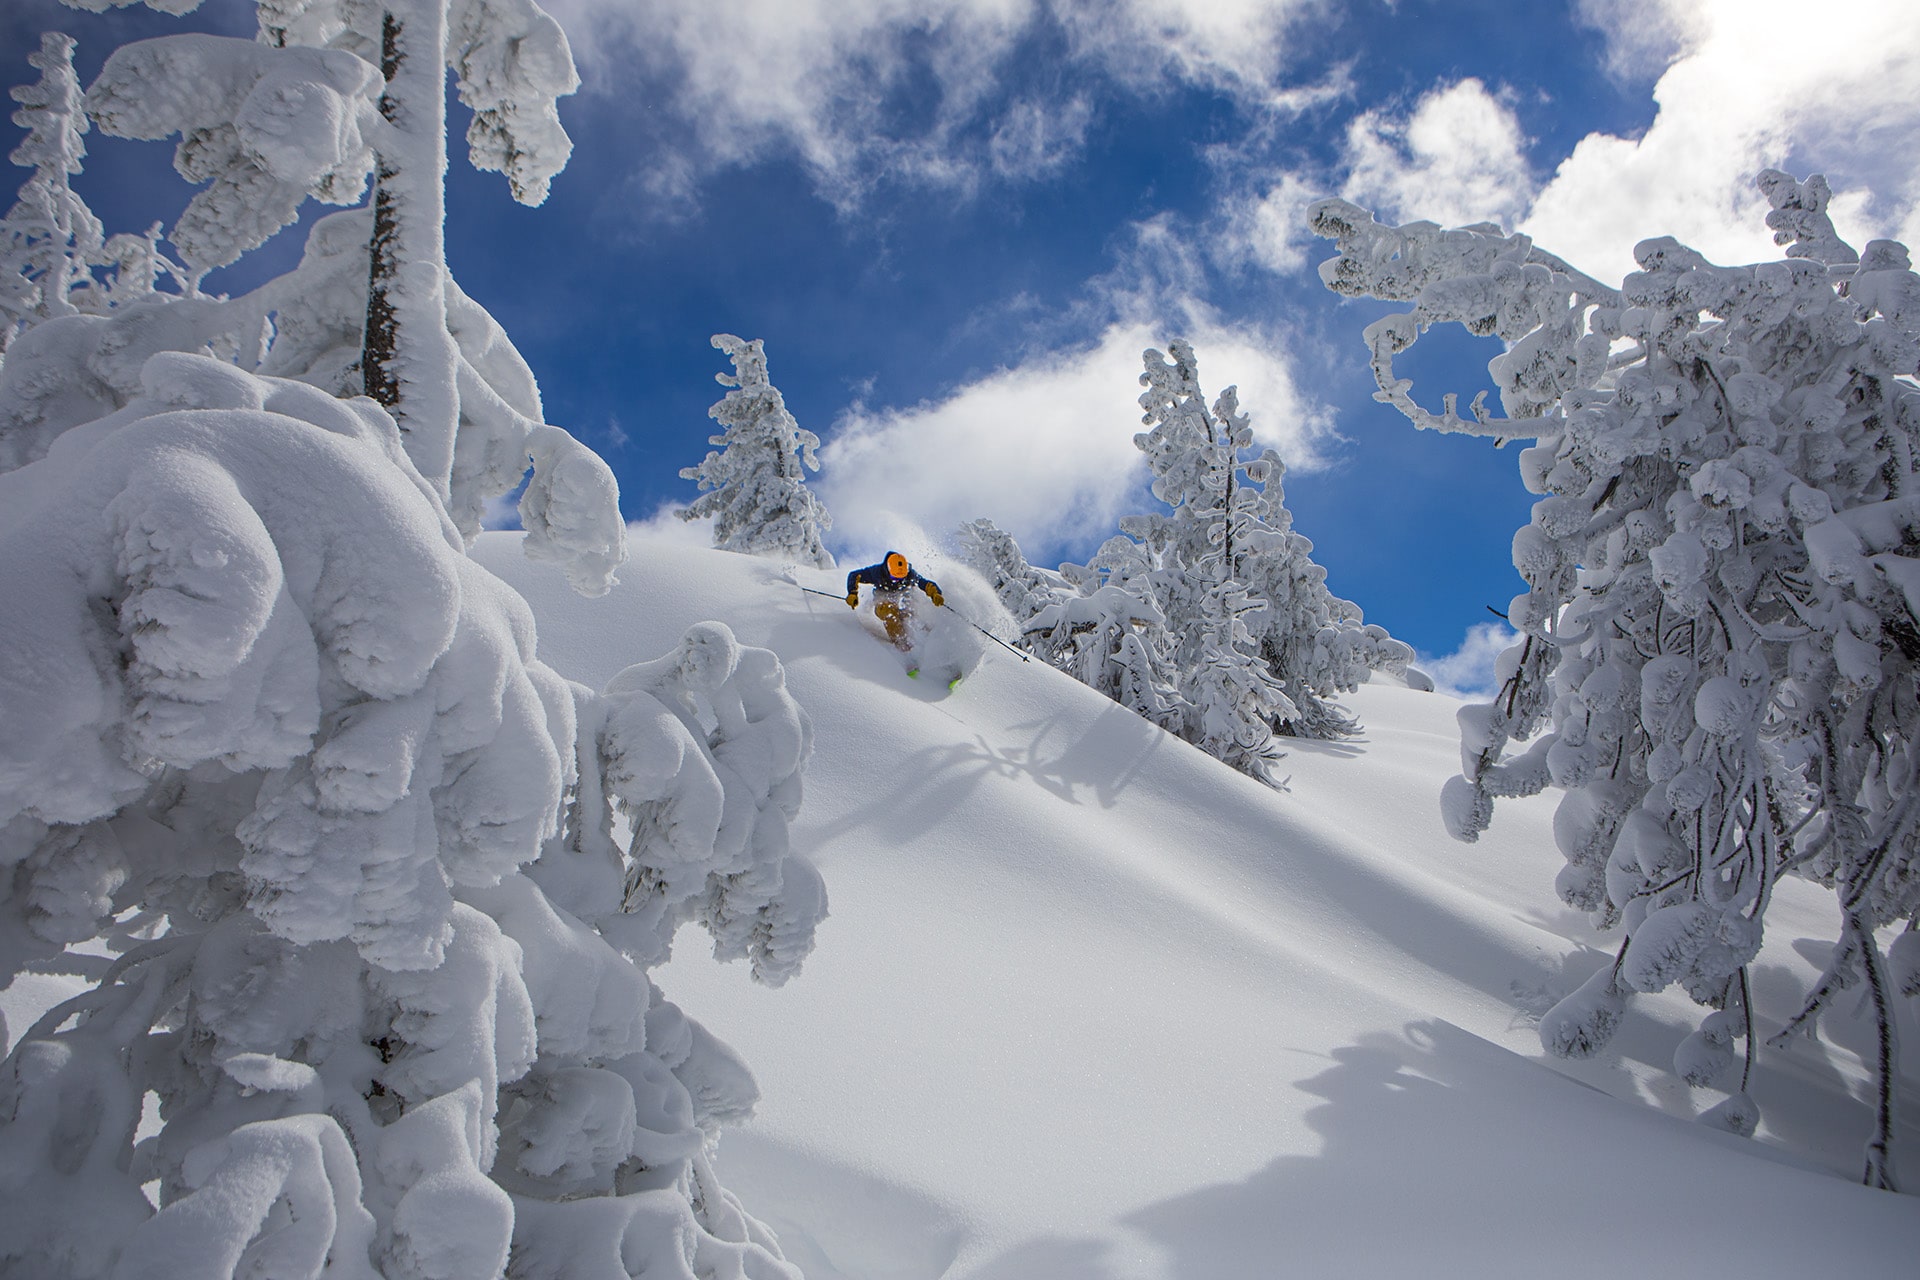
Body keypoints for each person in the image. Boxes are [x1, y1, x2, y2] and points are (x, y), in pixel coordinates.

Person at [846, 551, 944, 648]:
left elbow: (925, 584)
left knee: (909, 615)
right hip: (883, 602)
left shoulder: (910, 574)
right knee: (890, 612)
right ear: (888, 570)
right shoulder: (877, 572)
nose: (897, 581)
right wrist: (852, 593)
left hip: (902, 601)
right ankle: (902, 645)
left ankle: (926, 639)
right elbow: (854, 575)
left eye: (901, 578)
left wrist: (935, 594)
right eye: (894, 577)